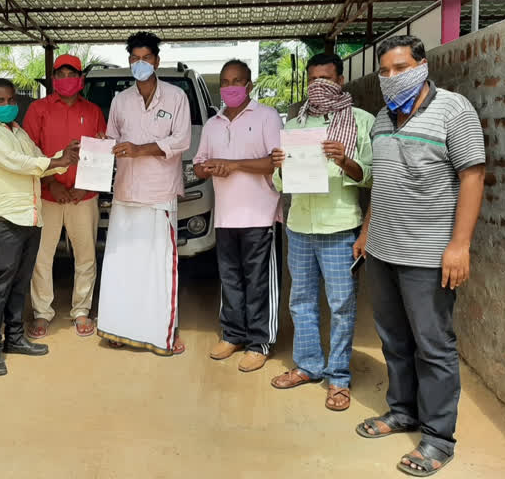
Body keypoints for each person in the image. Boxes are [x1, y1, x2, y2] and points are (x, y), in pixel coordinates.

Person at [353, 36, 485, 476]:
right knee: (394, 338)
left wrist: (459, 245)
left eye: (401, 67)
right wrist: (367, 234)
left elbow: (472, 176)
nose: (392, 77)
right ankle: (402, 411)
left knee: (433, 345)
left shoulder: (454, 110)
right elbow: (382, 184)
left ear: (422, 65)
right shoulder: (379, 120)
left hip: (429, 255)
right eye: (385, 71)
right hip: (383, 250)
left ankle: (437, 437)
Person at [269, 53, 374, 411]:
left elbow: (369, 177)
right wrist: (279, 167)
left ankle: (339, 378)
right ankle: (308, 366)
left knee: (342, 306)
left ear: (341, 80)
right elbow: (280, 181)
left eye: (326, 79)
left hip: (340, 226)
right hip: (299, 224)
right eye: (313, 80)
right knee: (300, 302)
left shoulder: (361, 122)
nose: (319, 87)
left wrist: (344, 159)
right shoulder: (296, 125)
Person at [0, 78, 80, 376]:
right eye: (0, 101)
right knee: (0, 285)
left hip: (32, 216)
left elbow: (38, 161)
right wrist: (55, 160)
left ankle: (15, 338)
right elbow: (16, 163)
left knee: (20, 283)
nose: (7, 106)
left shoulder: (19, 132)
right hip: (5, 217)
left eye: (11, 100)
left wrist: (66, 158)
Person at [96, 31, 191, 356]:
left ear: (157, 61)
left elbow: (181, 141)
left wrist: (141, 149)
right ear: (129, 62)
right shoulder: (121, 100)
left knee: (160, 266)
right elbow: (111, 140)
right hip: (125, 191)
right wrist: (99, 145)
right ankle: (119, 328)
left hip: (159, 195)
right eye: (134, 59)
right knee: (123, 264)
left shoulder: (176, 97)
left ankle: (163, 332)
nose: (140, 64)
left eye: (146, 58)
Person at [193, 59, 283, 373]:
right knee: (230, 280)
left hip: (260, 215)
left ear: (249, 85)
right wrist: (208, 167)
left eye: (237, 81)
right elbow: (198, 165)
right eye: (226, 81)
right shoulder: (213, 123)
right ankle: (233, 334)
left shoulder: (267, 116)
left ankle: (259, 342)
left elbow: (275, 162)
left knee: (258, 282)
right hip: (226, 217)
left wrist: (234, 164)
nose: (230, 87)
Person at [24, 54, 107, 339]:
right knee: (41, 256)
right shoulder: (38, 109)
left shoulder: (94, 111)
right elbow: (29, 153)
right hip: (47, 194)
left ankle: (81, 310)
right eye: (60, 74)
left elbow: (101, 153)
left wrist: (86, 186)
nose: (65, 79)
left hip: (84, 196)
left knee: (85, 255)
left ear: (80, 79)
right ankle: (42, 313)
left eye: (71, 74)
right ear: (53, 79)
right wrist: (51, 185)